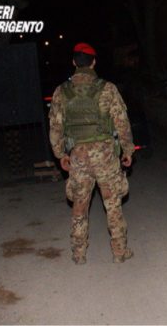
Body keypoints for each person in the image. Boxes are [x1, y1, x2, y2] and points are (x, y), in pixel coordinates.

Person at [49, 42, 135, 265]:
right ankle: (119, 252)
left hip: (78, 155)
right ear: (94, 62)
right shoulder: (108, 89)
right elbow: (122, 122)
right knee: (113, 205)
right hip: (105, 154)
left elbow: (55, 128)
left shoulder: (61, 92)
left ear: (74, 62)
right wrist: (127, 150)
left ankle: (79, 254)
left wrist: (60, 154)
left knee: (79, 205)